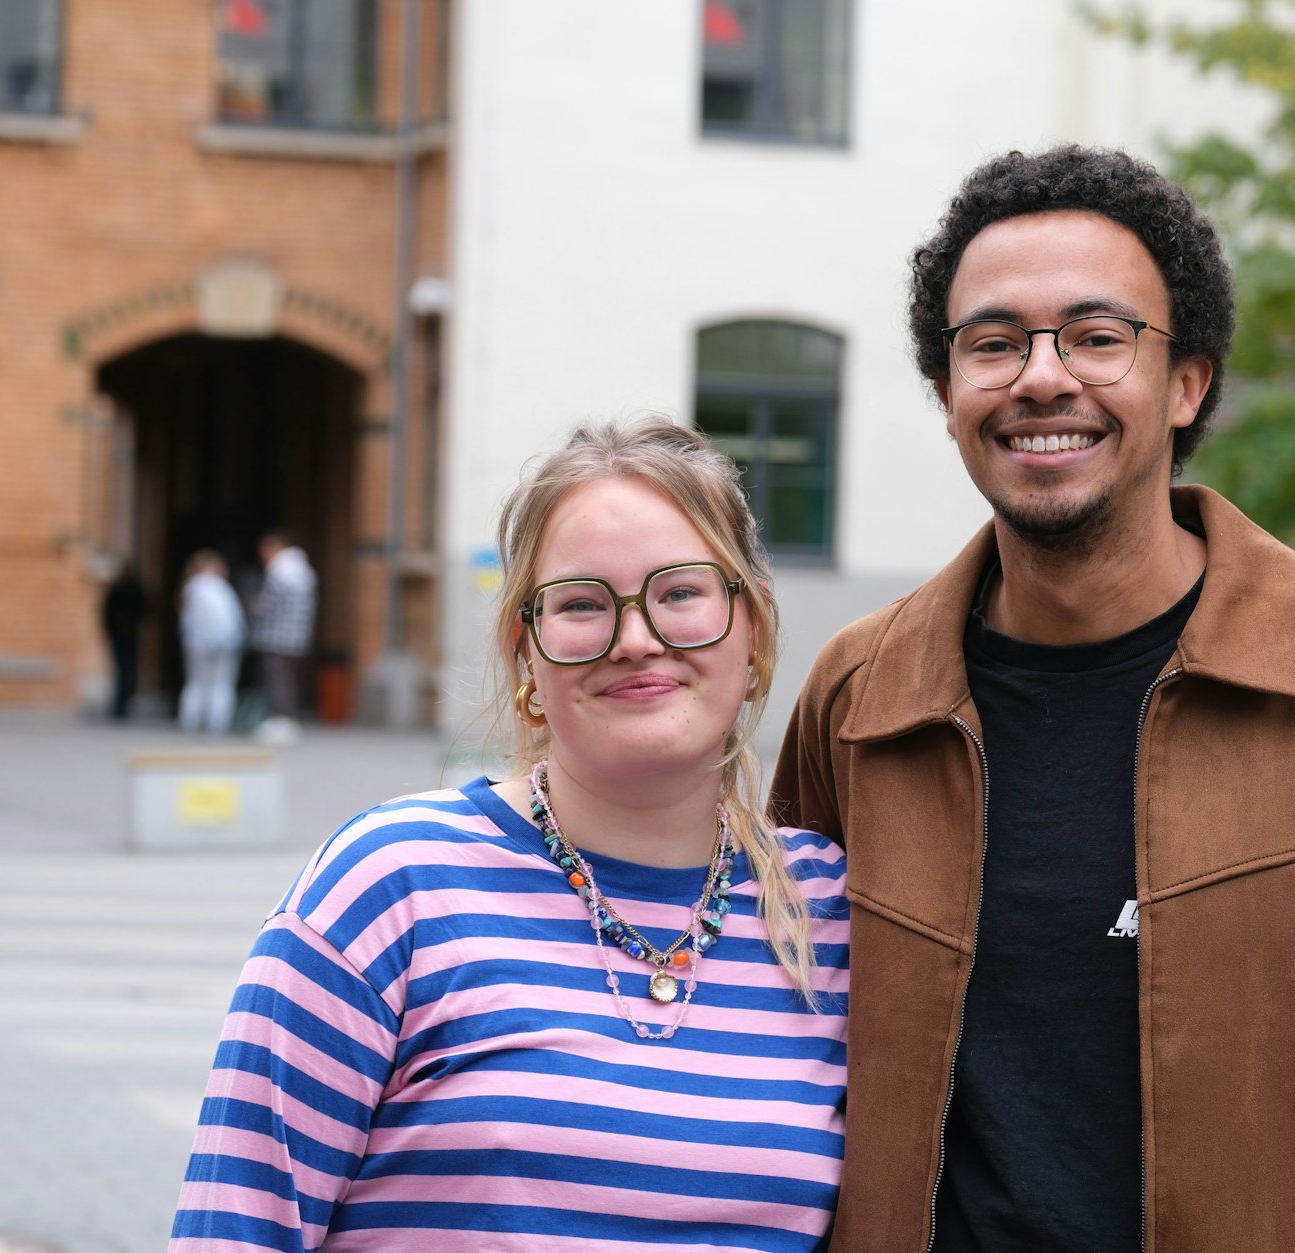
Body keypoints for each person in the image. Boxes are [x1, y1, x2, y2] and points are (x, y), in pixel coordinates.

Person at [772, 146, 1295, 1252]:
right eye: (992, 343)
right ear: (948, 393)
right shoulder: (861, 699)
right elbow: (779, 1074)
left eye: (1097, 337)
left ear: (1186, 380)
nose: (1040, 377)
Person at [171, 418, 850, 1251]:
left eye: (680, 592)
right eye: (581, 604)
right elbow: (237, 1230)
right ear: (526, 651)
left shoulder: (831, 912)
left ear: (755, 629)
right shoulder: (390, 887)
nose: (635, 638)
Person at [249, 528, 316, 746]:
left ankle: (283, 721)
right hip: (296, 635)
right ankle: (286, 720)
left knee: (278, 679)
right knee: (287, 679)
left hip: (278, 636)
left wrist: (255, 606)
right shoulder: (302, 569)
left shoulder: (281, 569)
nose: (263, 556)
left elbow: (270, 604)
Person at [177, 549, 246, 734]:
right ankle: (216, 722)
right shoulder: (212, 587)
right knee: (220, 683)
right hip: (219, 643)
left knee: (197, 681)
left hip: (196, 643)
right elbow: (223, 618)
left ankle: (191, 720)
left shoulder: (191, 587)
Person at [99, 560, 147, 720]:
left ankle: (123, 703)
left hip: (128, 635)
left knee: (126, 670)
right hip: (123, 635)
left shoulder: (129, 589)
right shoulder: (121, 590)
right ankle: (121, 704)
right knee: (124, 670)